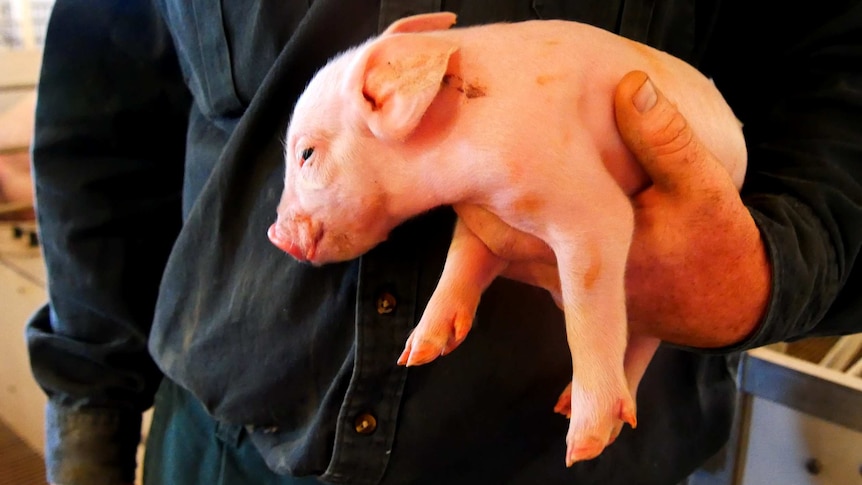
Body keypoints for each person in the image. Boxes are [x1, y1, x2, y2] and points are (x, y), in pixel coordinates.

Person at [26, 1, 861, 485]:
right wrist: (89, 413)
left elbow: (838, 69)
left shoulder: (497, 135)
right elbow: (102, 116)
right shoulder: (466, 145)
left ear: (404, 96)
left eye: (308, 159)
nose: (297, 198)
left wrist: (767, 269)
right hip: (219, 452)